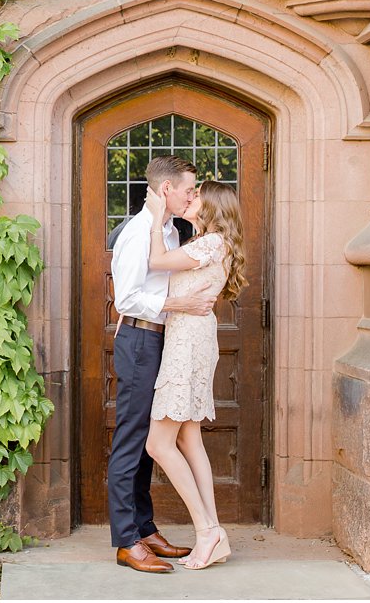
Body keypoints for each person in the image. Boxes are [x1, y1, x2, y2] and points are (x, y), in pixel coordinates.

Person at [107, 155, 218, 574]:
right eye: (189, 189)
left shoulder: (173, 231)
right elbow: (127, 299)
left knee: (153, 440)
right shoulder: (138, 233)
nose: (194, 195)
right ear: (166, 189)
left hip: (163, 342)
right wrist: (179, 304)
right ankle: (126, 541)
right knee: (132, 439)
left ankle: (145, 527)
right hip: (138, 339)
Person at [143, 180, 248, 570]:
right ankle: (214, 530)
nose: (189, 199)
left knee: (158, 444)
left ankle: (206, 530)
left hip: (188, 343)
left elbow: (156, 262)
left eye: (196, 195)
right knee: (188, 437)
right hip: (189, 338)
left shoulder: (210, 243)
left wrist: (156, 219)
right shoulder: (208, 242)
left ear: (212, 206)